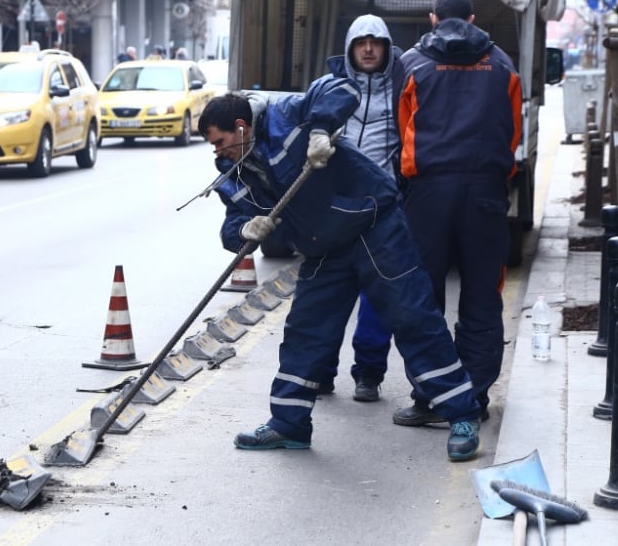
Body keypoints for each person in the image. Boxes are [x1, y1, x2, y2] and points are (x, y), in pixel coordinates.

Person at [198, 86, 483, 461]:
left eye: (220, 142)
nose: (218, 152)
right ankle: (289, 424)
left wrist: (320, 129)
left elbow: (340, 87)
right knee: (305, 332)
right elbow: (232, 225)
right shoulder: (234, 171)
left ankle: (462, 414)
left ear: (241, 127)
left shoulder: (288, 114)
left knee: (412, 316)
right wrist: (245, 231)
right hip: (323, 246)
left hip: (372, 226)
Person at [392, 0, 520, 429]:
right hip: (485, 192)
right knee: (483, 296)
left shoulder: (411, 64)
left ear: (433, 19)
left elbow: (401, 128)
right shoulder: (502, 64)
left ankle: (431, 395)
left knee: (424, 299)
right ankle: (476, 396)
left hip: (428, 194)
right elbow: (513, 132)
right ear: (472, 19)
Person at [317, 14, 407, 402]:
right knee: (328, 294)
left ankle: (368, 373)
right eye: (360, 42)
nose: (368, 49)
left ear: (386, 48)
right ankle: (318, 372)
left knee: (377, 299)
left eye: (376, 42)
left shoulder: (403, 88)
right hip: (336, 209)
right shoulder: (330, 90)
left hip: (382, 211)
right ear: (350, 48)